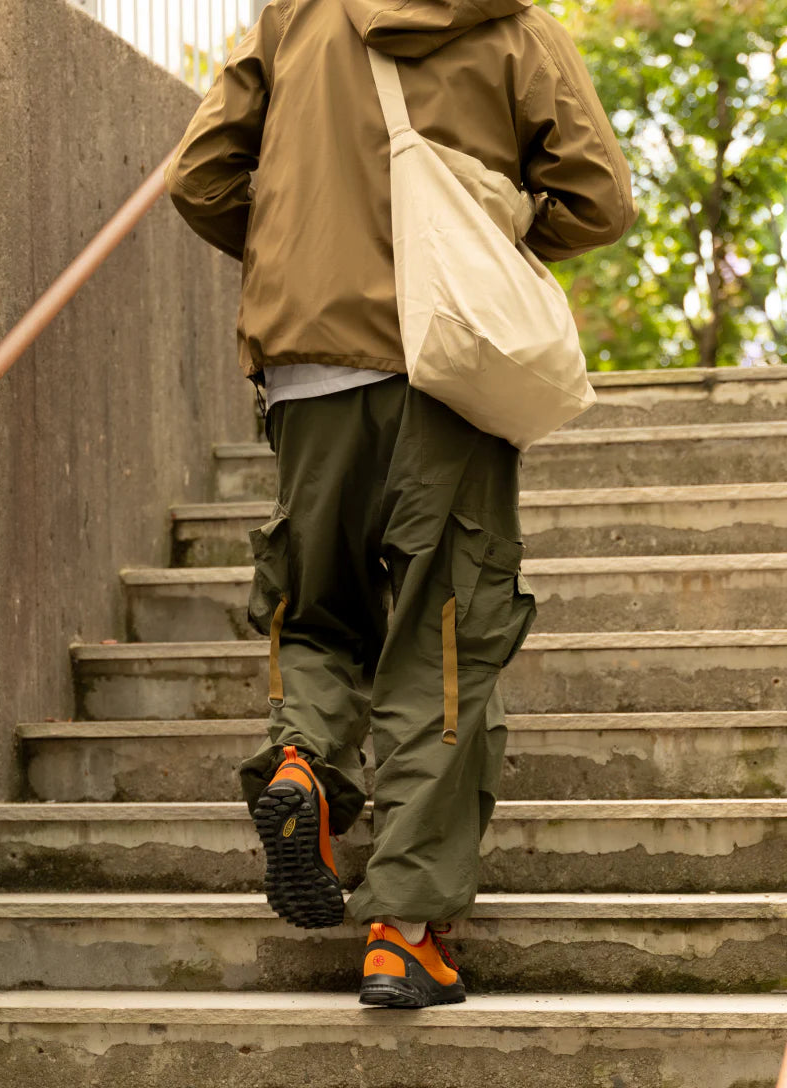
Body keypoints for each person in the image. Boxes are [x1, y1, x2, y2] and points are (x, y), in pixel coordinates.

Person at [165, 0, 637, 1008]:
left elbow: (199, 178)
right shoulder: (515, 26)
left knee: (318, 611)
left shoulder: (293, 17)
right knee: (444, 642)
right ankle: (405, 933)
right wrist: (487, 237)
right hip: (445, 372)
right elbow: (596, 199)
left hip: (307, 373)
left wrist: (299, 250)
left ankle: (302, 766)